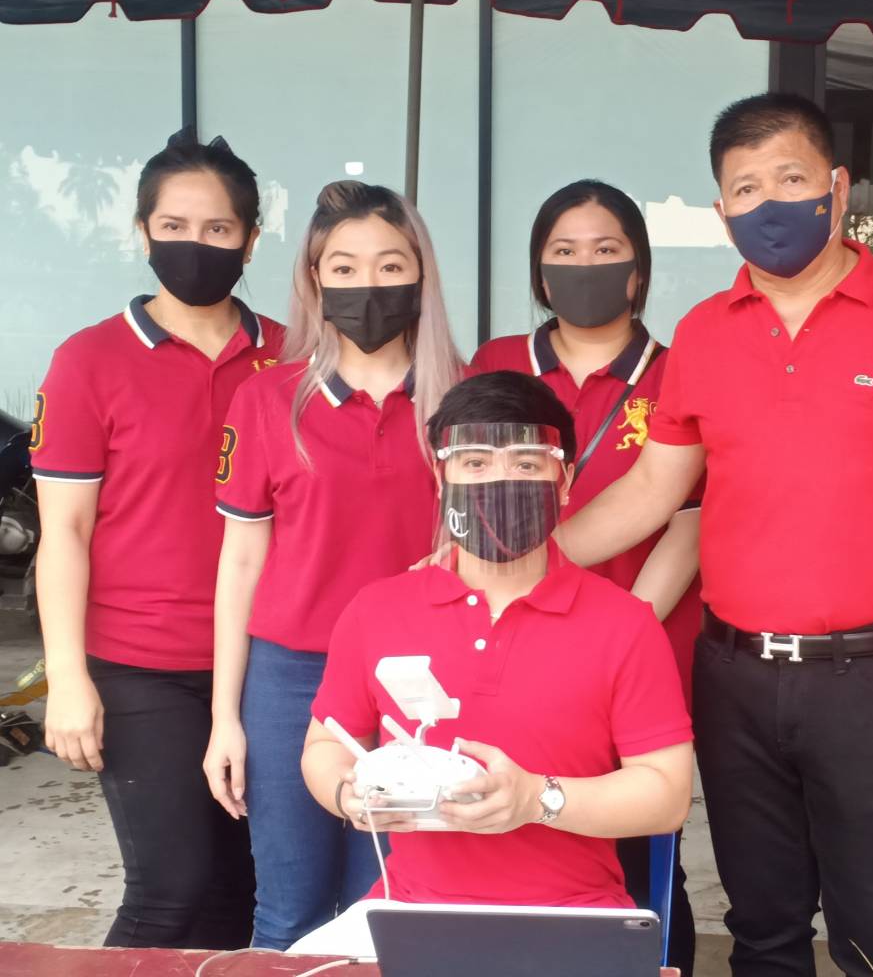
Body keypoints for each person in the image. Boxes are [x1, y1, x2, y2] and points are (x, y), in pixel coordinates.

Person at [557, 92, 873, 977]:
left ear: (837, 188)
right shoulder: (703, 334)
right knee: (761, 931)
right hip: (733, 676)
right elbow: (651, 490)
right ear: (722, 212)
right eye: (745, 189)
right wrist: (514, 557)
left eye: (790, 179)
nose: (769, 204)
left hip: (869, 681)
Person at [290, 371, 693, 954]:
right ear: (441, 478)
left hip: (575, 923)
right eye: (475, 463)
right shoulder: (376, 611)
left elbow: (666, 794)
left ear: (564, 480)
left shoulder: (625, 624)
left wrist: (537, 799)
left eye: (527, 464)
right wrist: (345, 793)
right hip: (407, 915)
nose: (501, 480)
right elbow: (325, 745)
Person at [33, 130, 281, 949]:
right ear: (142, 232)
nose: (194, 244)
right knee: (170, 888)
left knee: (244, 889)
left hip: (266, 661)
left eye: (217, 229)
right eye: (173, 226)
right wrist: (67, 678)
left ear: (251, 238)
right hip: (142, 663)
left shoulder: (292, 356)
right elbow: (64, 532)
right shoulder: (89, 360)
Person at [202, 181, 465, 949]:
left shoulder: (462, 397)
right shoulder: (267, 400)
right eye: (344, 268)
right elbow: (240, 563)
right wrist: (225, 719)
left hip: (421, 687)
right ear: (315, 279)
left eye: (390, 265)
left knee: (388, 913)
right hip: (292, 681)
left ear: (421, 273)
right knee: (288, 912)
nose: (368, 285)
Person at [468, 179, 701, 975]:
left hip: (641, 647)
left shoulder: (676, 372)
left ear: (637, 271)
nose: (584, 266)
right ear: (539, 272)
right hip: (513, 648)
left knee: (638, 852)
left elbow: (689, 523)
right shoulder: (498, 364)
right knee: (523, 838)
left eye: (606, 250)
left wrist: (617, 634)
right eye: (563, 251)